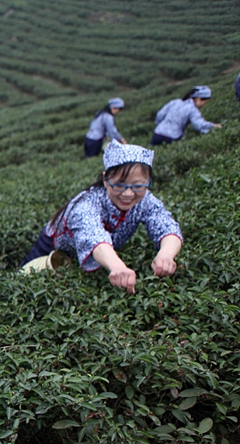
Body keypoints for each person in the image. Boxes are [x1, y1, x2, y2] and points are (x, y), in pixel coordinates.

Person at [20, 143, 182, 294]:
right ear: (106, 179)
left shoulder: (145, 199)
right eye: (119, 184)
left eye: (138, 185)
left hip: (100, 256)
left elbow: (165, 224)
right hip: (53, 246)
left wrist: (166, 255)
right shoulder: (86, 204)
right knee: (24, 281)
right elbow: (94, 236)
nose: (128, 193)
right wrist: (117, 266)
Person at [151, 86, 222, 145]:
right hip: (172, 137)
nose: (203, 105)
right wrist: (213, 126)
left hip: (157, 133)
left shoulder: (175, 102)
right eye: (204, 103)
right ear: (199, 99)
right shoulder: (192, 109)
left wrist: (160, 125)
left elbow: (160, 115)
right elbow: (199, 124)